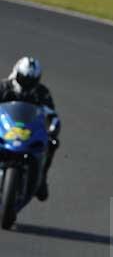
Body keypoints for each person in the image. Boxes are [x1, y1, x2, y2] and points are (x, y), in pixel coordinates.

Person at [0, 57, 60, 201]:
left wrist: (52, 128)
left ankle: (42, 178)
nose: (26, 84)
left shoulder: (42, 93)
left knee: (52, 143)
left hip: (28, 133)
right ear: (16, 73)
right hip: (4, 129)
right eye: (23, 79)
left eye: (31, 81)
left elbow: (51, 114)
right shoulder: (3, 87)